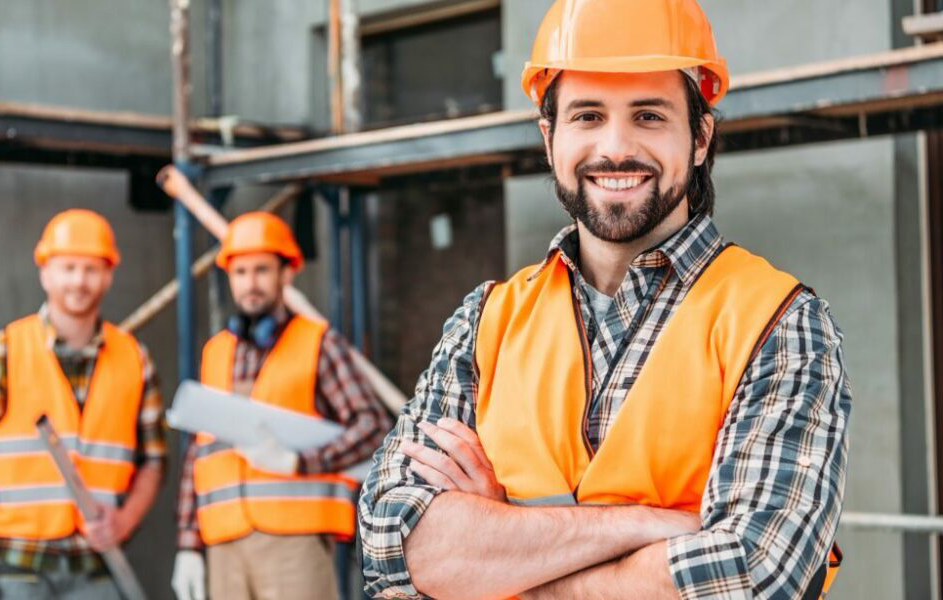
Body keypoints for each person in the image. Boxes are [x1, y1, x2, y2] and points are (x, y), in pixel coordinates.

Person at [358, 1, 851, 598]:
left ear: (699, 137)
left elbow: (752, 574)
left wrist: (502, 554)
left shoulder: (778, 322)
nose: (615, 148)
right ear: (550, 137)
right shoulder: (485, 322)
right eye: (588, 116)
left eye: (648, 116)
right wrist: (647, 527)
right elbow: (394, 548)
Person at [171, 212, 395, 600]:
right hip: (224, 543)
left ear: (286, 274)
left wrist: (299, 462)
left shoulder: (319, 344)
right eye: (240, 272)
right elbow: (200, 454)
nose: (250, 283)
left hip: (295, 543)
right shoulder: (215, 353)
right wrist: (188, 545)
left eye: (261, 270)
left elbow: (373, 427)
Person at [0, 209, 166, 600]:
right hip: (16, 570)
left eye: (91, 269)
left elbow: (153, 461)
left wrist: (125, 520)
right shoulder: (1, 354)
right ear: (45, 273)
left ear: (109, 275)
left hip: (97, 570)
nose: (79, 281)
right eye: (68, 268)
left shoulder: (136, 359)